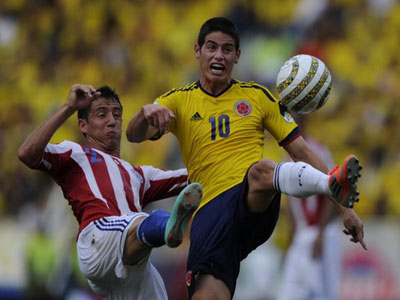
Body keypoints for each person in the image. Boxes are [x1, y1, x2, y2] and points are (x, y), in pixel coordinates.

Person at [126, 17, 367, 300]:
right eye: (212, 47)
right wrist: (145, 114)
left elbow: (301, 150)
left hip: (251, 203)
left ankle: (329, 183)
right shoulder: (178, 100)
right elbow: (133, 135)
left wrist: (344, 209)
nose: (219, 55)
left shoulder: (258, 97)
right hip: (209, 215)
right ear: (197, 51)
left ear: (237, 56)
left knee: (262, 171)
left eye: (227, 49)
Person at [17, 83, 203, 300]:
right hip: (99, 241)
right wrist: (68, 106)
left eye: (117, 114)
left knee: (157, 286)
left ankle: (166, 227)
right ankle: (166, 227)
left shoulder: (139, 174)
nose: (112, 120)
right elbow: (26, 154)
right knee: (143, 220)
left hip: (133, 267)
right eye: (102, 114)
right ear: (83, 125)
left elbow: (197, 177)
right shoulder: (75, 153)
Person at [278, 114, 341, 300]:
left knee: (324, 292)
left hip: (320, 233)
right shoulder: (286, 156)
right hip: (302, 234)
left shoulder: (319, 151)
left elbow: (333, 191)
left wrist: (320, 232)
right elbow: (292, 203)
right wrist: (292, 235)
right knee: (291, 291)